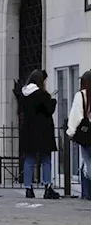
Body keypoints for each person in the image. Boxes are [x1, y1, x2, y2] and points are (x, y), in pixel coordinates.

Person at [19, 69, 60, 199]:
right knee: (46, 160)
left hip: (29, 131)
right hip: (43, 131)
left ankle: (28, 188)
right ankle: (47, 186)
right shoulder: (42, 95)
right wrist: (53, 101)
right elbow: (49, 110)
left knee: (29, 159)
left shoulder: (24, 94)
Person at [66, 69, 92, 202]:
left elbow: (76, 115)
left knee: (88, 162)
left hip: (88, 134)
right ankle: (87, 193)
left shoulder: (81, 95)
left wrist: (71, 132)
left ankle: (87, 193)